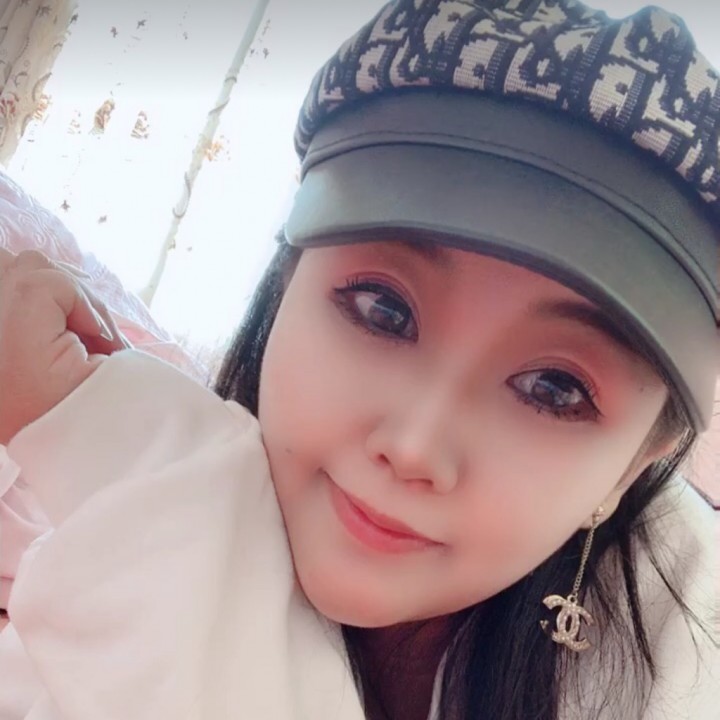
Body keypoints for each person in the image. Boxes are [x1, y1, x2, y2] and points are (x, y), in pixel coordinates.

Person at [0, 1, 717, 719]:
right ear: (288, 280)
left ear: (630, 469)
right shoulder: (114, 533)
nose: (413, 447)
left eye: (554, 388)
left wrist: (119, 466)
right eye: (383, 309)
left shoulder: (692, 654)